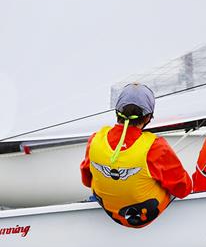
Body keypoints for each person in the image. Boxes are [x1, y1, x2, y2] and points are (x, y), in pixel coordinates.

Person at [80, 83, 192, 228]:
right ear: (148, 118)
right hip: (145, 217)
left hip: (111, 212)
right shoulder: (155, 147)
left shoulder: (95, 139)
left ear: (117, 112)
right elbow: (183, 189)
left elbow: (87, 181)